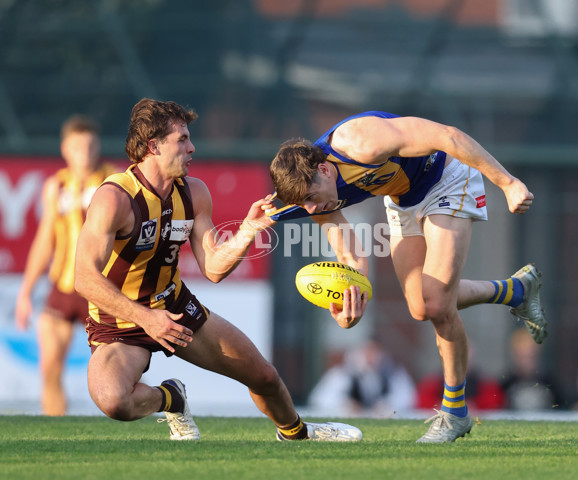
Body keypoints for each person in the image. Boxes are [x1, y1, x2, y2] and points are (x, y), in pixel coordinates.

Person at [73, 98, 361, 442]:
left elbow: (212, 268)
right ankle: (171, 398)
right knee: (114, 400)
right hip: (121, 321)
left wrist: (248, 232)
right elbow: (84, 277)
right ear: (153, 146)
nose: (192, 147)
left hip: (174, 306)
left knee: (264, 377)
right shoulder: (115, 197)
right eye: (182, 140)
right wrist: (146, 319)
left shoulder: (194, 193)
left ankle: (297, 434)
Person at [268, 110, 548, 443]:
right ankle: (516, 291)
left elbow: (449, 134)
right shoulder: (313, 194)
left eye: (312, 200)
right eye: (304, 205)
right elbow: (352, 256)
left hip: (447, 179)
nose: (312, 210)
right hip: (402, 200)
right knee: (420, 306)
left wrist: (508, 182)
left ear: (325, 170)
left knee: (438, 304)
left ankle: (454, 412)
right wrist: (352, 302)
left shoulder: (363, 141)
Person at [15, 114, 114, 416]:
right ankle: (56, 431)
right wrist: (25, 292)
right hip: (62, 286)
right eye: (77, 145)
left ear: (98, 147)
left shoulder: (113, 182)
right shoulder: (55, 186)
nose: (84, 151)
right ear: (64, 149)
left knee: (117, 370)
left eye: (90, 144)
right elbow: (45, 240)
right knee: (50, 368)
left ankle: (136, 423)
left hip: (100, 290)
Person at [308, 339, 416, 418]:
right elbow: (320, 398)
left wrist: (386, 406)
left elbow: (407, 398)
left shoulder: (393, 373)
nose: (372, 357)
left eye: (375, 352)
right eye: (368, 352)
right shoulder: (342, 373)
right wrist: (346, 404)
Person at [501, 328, 562, 411]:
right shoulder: (504, 386)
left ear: (538, 355)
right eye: (522, 357)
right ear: (514, 356)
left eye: (531, 356)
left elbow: (562, 410)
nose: (526, 362)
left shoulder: (551, 385)